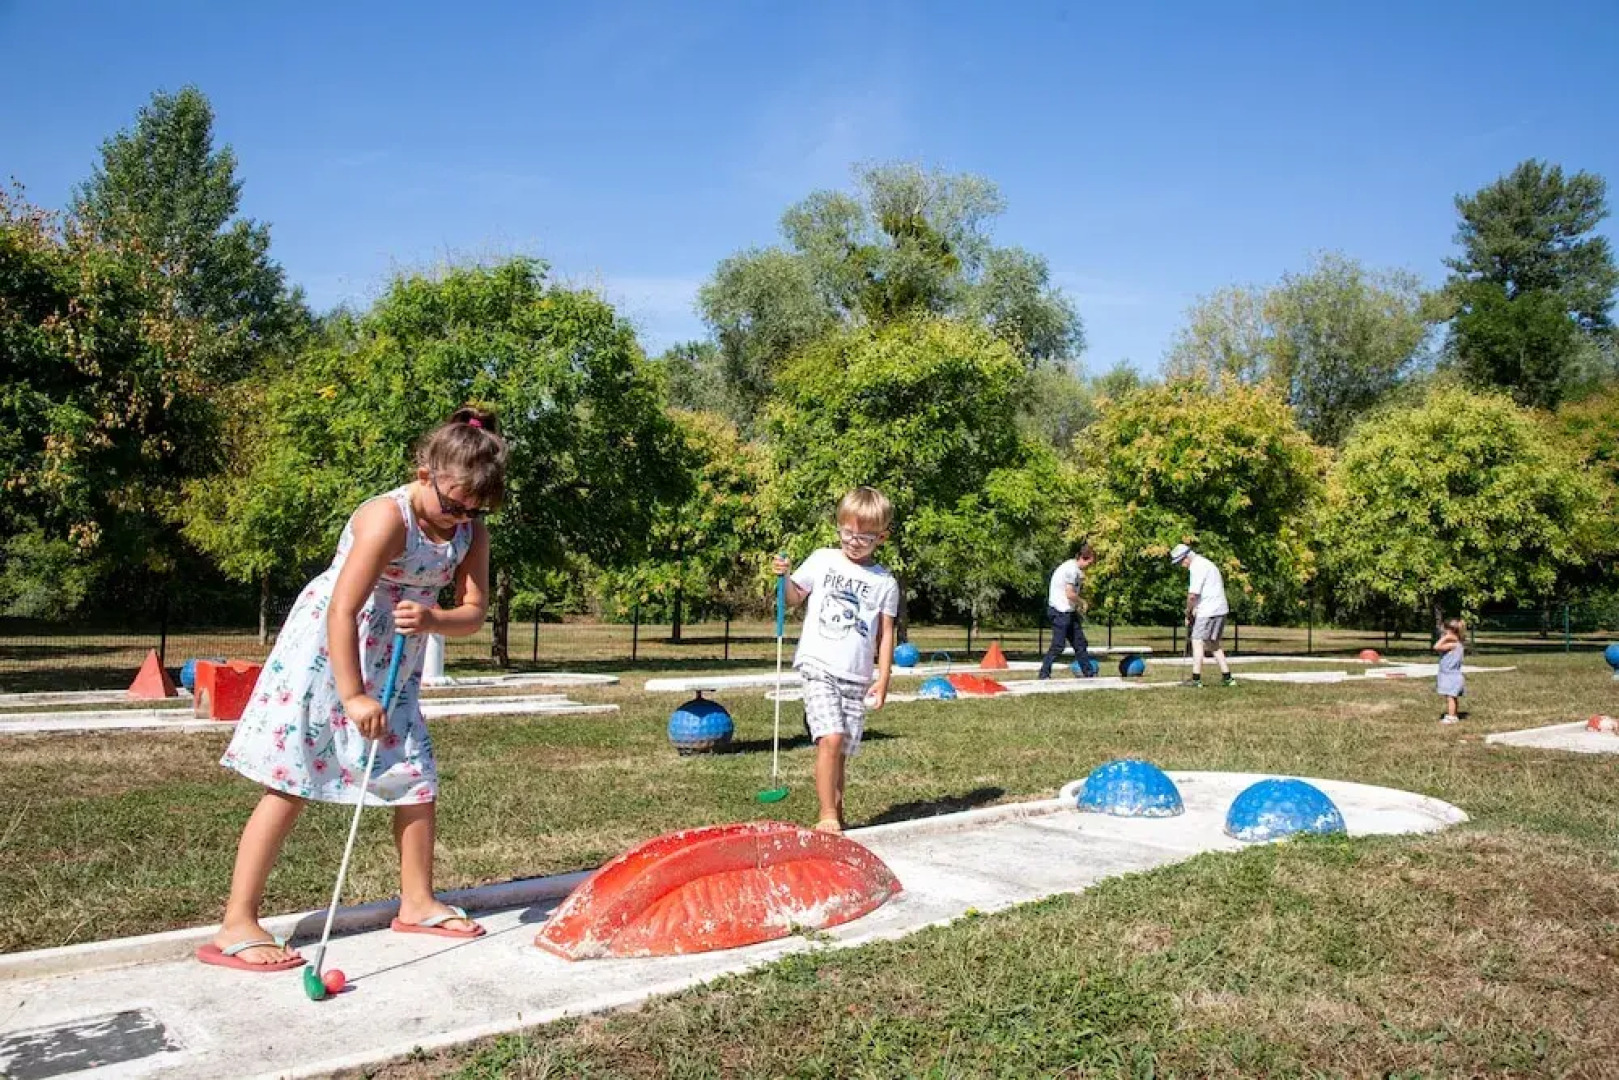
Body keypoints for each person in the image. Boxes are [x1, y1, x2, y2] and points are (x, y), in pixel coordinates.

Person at [201, 407, 507, 972]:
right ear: (425, 472)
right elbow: (342, 609)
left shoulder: (469, 530)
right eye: (453, 503)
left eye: (473, 508)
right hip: (330, 657)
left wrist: (436, 621)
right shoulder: (386, 519)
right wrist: (352, 695)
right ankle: (237, 920)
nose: (459, 517)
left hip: (395, 665)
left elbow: (472, 611)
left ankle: (416, 901)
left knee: (414, 778)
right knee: (291, 779)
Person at [771, 487, 899, 834]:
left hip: (856, 676)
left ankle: (837, 817)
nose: (854, 542)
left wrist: (883, 678)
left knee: (840, 750)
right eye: (848, 533)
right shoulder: (823, 559)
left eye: (865, 536)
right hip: (818, 666)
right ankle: (827, 815)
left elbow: (885, 634)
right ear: (839, 527)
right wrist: (783, 577)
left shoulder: (885, 582)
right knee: (830, 737)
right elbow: (794, 598)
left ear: (881, 537)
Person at [1169, 543, 1234, 688]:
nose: (1181, 565)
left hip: (1208, 610)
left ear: (1186, 557)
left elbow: (1192, 595)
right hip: (1221, 608)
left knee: (1197, 641)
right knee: (1213, 643)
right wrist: (1193, 611)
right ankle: (1228, 678)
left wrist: (1188, 612)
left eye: (1181, 562)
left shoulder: (1196, 567)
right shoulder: (1207, 563)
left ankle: (1196, 679)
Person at [1038, 541, 1098, 679]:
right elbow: (1070, 593)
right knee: (1058, 645)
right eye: (1089, 563)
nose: (1089, 567)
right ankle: (1044, 673)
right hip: (1060, 612)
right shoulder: (1071, 570)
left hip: (1068, 611)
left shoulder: (1075, 569)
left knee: (1080, 643)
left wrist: (1076, 606)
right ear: (1084, 558)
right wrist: (1082, 602)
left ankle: (1088, 673)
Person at [1434, 617, 1466, 724]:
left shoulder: (1453, 644)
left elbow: (1436, 647)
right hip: (1453, 674)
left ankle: (1451, 717)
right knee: (1452, 696)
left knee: (1450, 697)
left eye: (1445, 630)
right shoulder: (1459, 643)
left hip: (1450, 674)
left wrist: (1446, 638)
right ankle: (1454, 715)